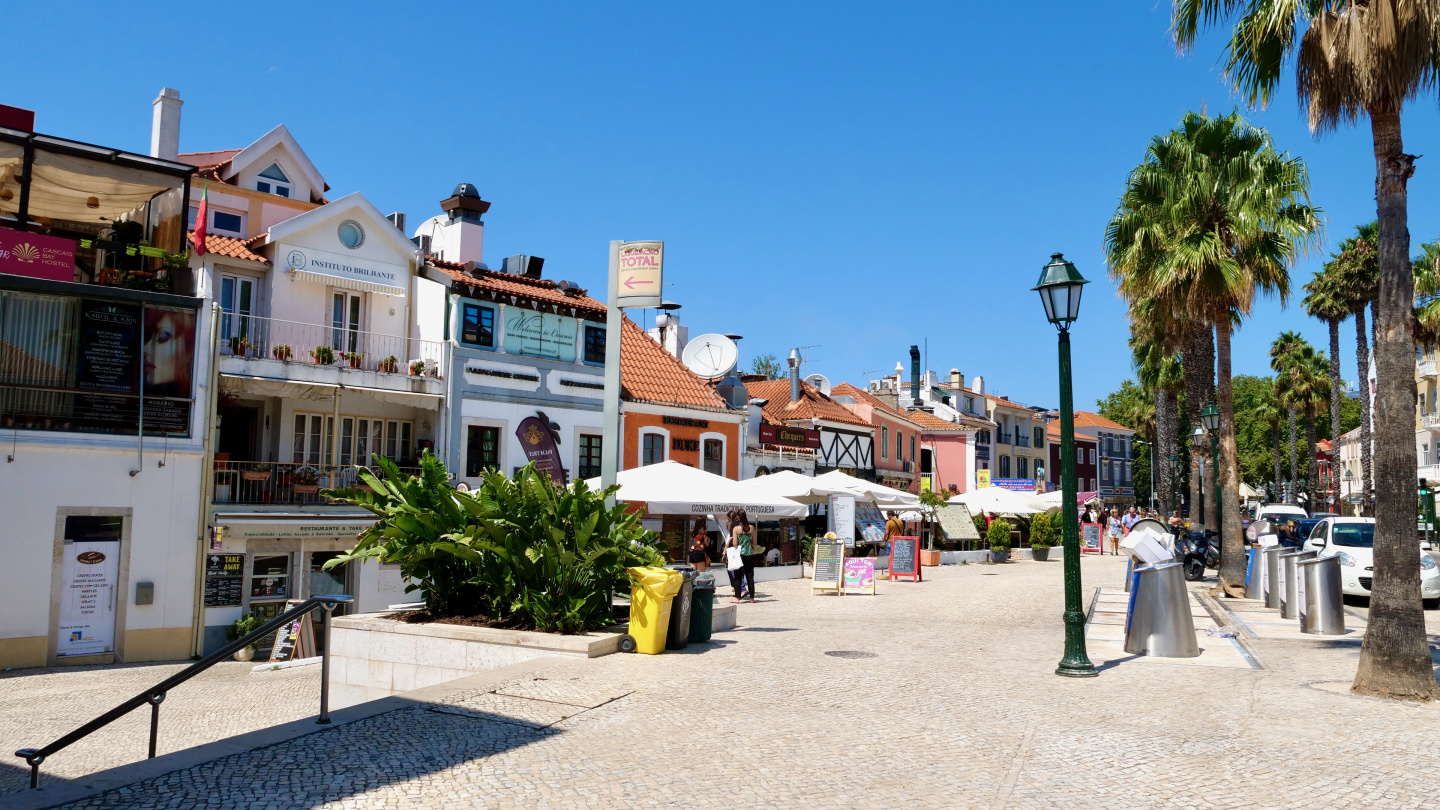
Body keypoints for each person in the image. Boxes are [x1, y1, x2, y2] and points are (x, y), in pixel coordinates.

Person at [732, 512, 757, 603]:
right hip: (750, 554)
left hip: (740, 554)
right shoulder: (752, 528)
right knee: (750, 576)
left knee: (738, 576)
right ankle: (752, 598)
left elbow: (735, 544)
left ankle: (737, 597)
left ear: (738, 517)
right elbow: (754, 543)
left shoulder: (736, 529)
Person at [724, 536, 746, 602]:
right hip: (743, 554)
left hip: (734, 557)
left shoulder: (732, 535)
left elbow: (734, 544)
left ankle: (739, 592)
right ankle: (740, 590)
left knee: (735, 575)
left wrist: (725, 549)